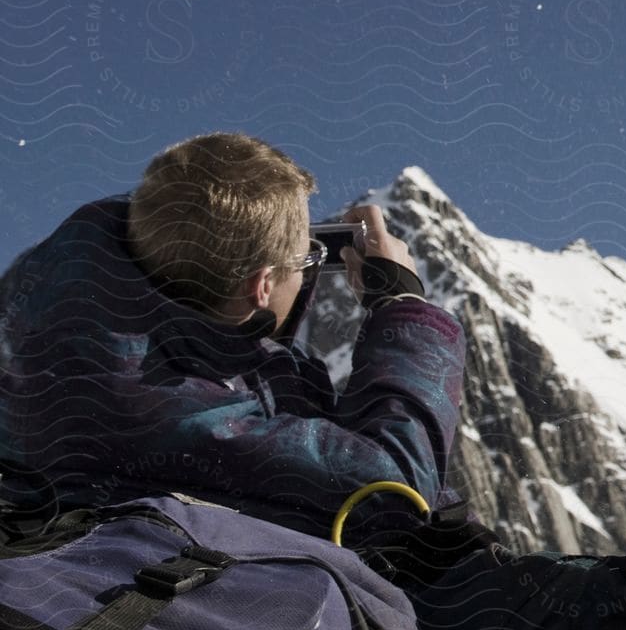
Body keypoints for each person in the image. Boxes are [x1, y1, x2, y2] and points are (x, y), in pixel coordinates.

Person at [0, 132, 467, 539]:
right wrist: (402, 305)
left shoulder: (51, 309)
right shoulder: (170, 410)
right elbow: (394, 489)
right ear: (260, 286)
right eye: (307, 259)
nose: (309, 273)